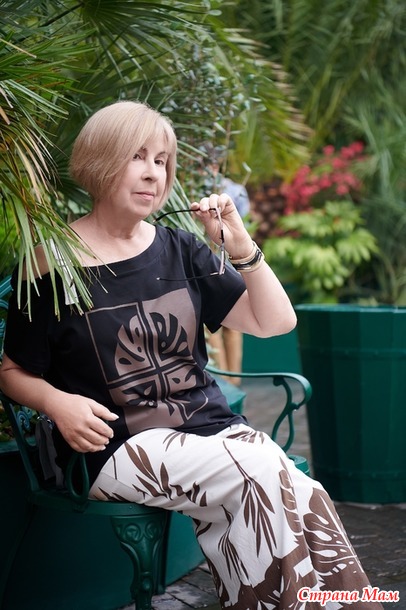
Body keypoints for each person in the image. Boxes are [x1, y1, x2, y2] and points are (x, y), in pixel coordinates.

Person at [0, 101, 383, 610]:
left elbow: (274, 322)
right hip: (113, 445)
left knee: (303, 491)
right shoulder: (52, 262)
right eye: (137, 156)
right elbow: (11, 370)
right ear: (98, 160)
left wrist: (241, 247)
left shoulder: (181, 249)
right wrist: (56, 403)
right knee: (261, 470)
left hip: (209, 431)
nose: (153, 173)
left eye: (162, 161)